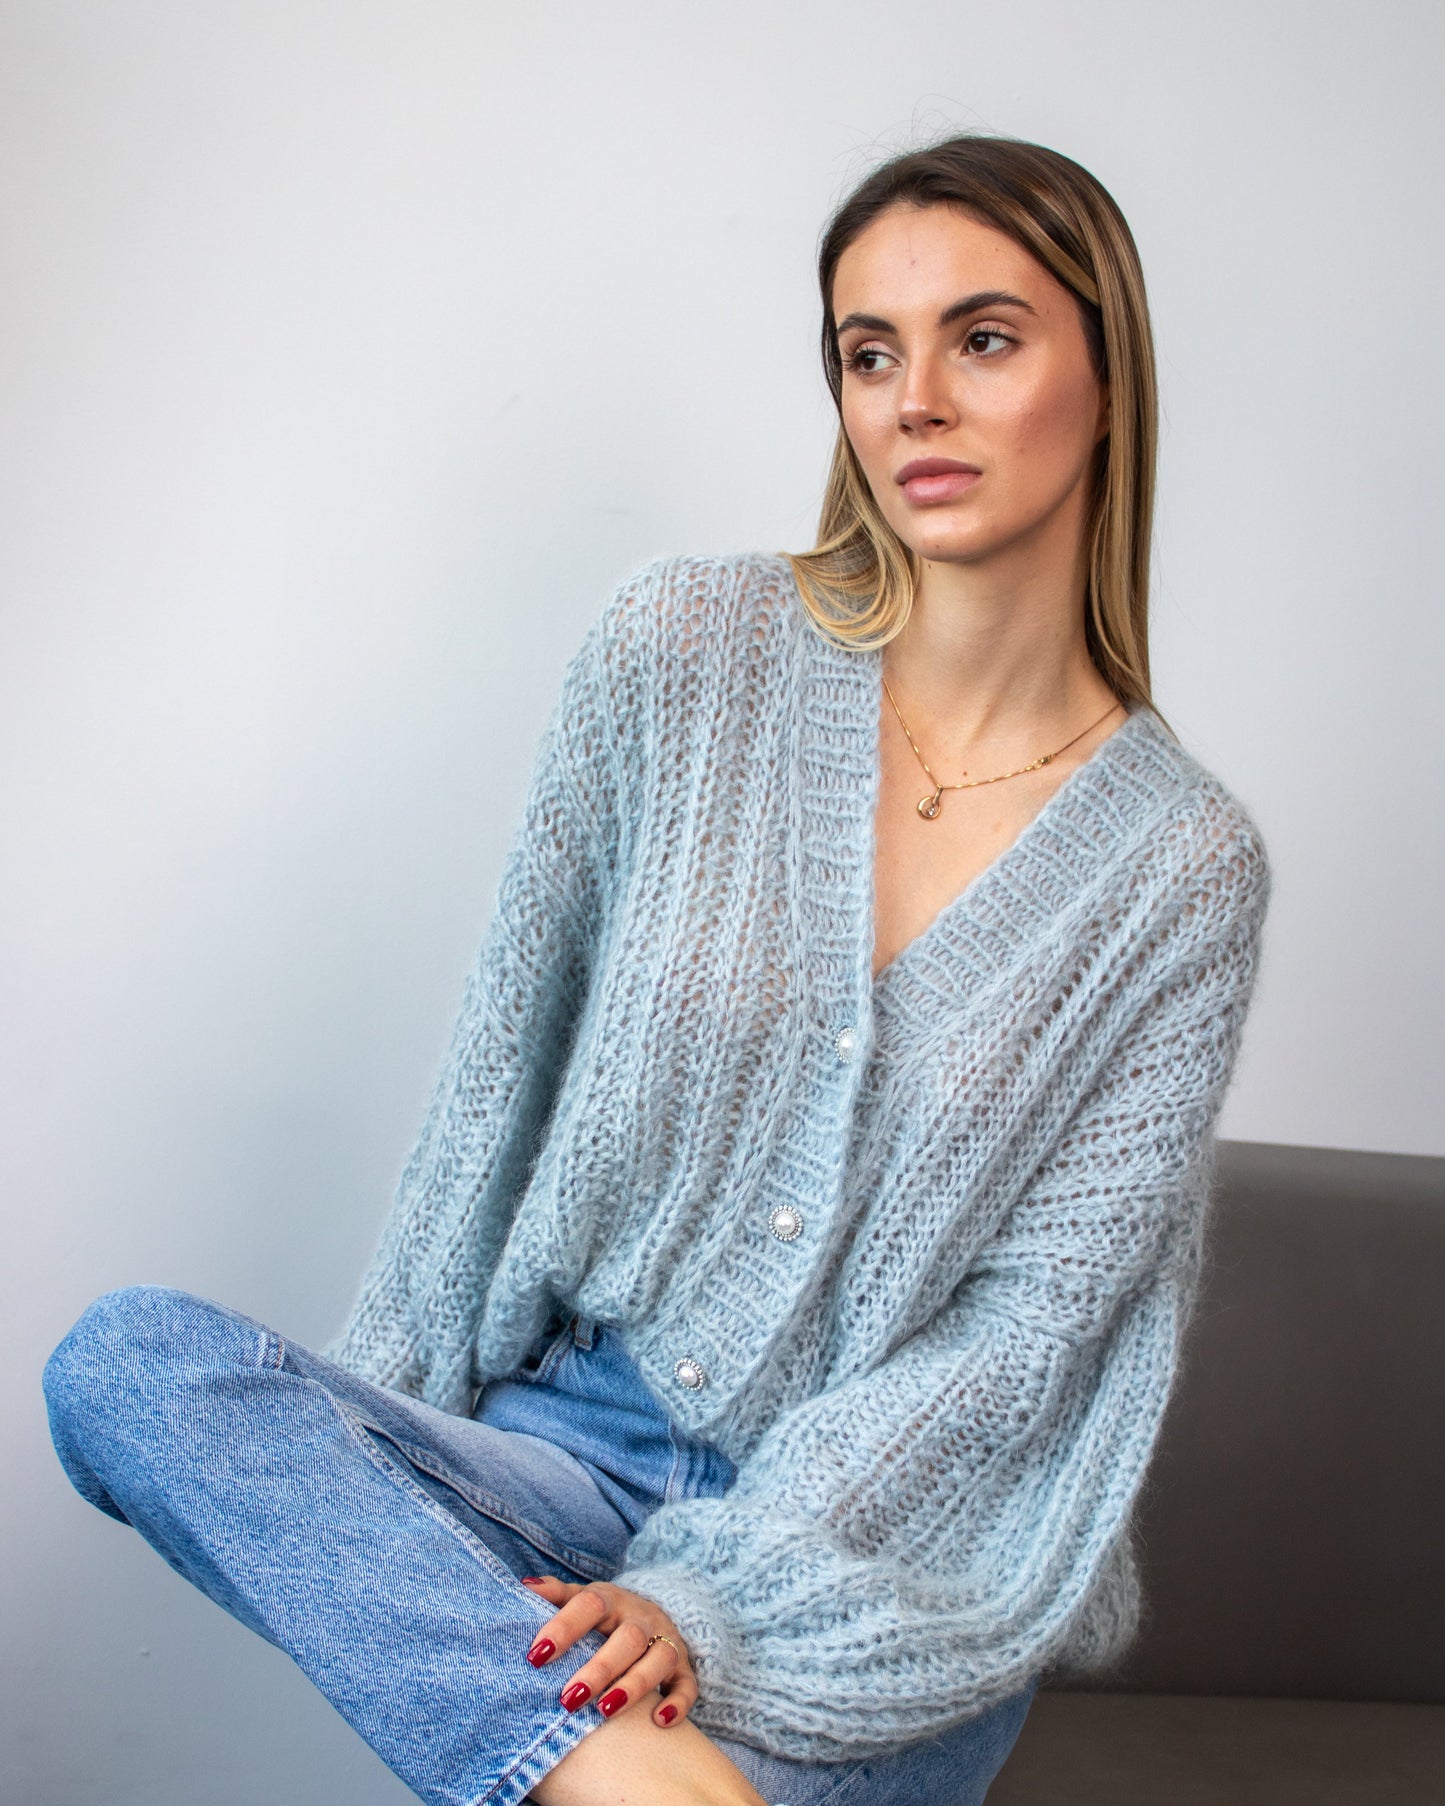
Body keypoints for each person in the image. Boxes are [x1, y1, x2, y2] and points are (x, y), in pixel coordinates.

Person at [42, 132, 1272, 1806]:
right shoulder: (682, 653)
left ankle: (607, 1767)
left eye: (982, 337)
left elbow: (1023, 1342)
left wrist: (716, 1603)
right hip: (555, 1462)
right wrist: (370, 1475)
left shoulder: (1179, 870)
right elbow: (506, 1065)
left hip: (881, 1570)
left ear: (1106, 374)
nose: (914, 397)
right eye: (867, 349)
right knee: (129, 1363)